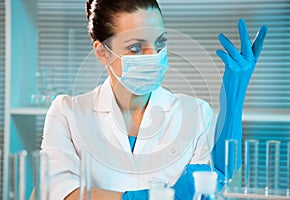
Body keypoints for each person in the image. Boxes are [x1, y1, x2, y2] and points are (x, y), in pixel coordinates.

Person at [39, 0, 268, 199]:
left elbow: (218, 184)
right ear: (102, 52)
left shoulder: (195, 112)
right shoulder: (66, 113)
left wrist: (233, 101)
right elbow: (59, 193)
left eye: (159, 43)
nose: (154, 56)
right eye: (136, 48)